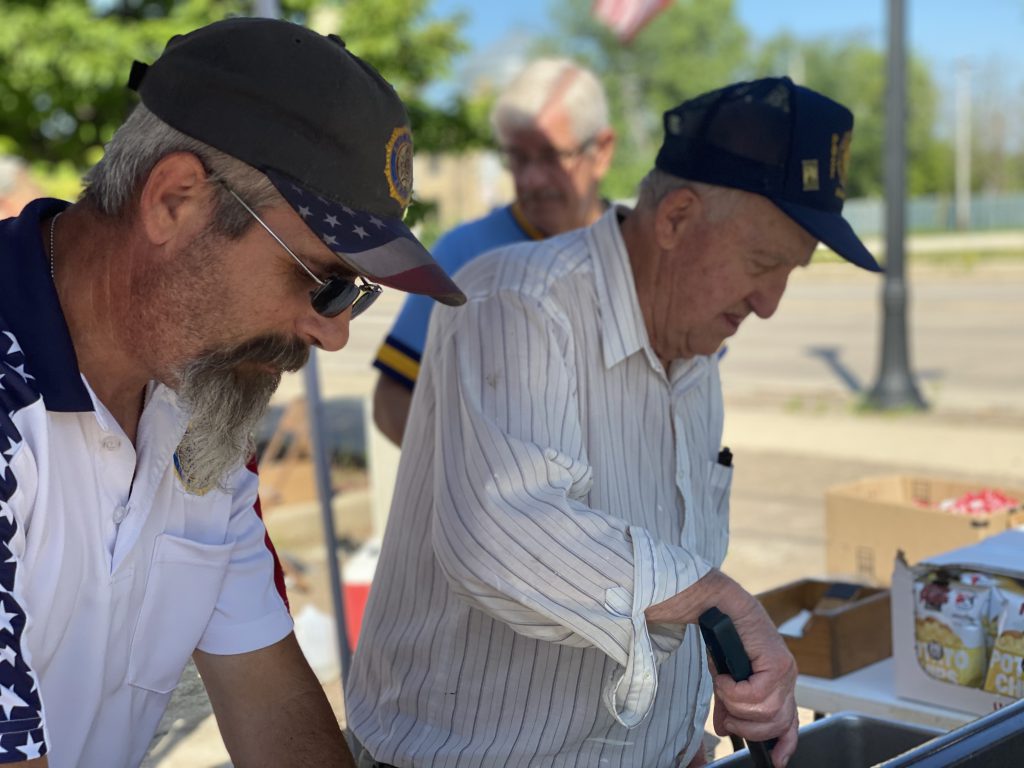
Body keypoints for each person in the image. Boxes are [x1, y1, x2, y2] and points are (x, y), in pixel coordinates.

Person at [345, 76, 882, 768]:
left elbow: (668, 554)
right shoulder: (516, 300)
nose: (770, 302)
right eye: (762, 263)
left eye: (791, 273)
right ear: (677, 219)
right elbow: (503, 534)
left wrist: (677, 729)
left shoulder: (696, 358)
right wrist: (719, 599)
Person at [0, 17, 464, 768]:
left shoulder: (199, 420)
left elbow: (274, 711)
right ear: (175, 200)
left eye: (356, 297)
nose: (334, 333)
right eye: (323, 281)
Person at [372, 57, 615, 445]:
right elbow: (392, 401)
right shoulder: (463, 253)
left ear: (601, 151)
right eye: (517, 158)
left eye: (552, 156)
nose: (532, 179)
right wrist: (482, 479)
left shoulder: (643, 251)